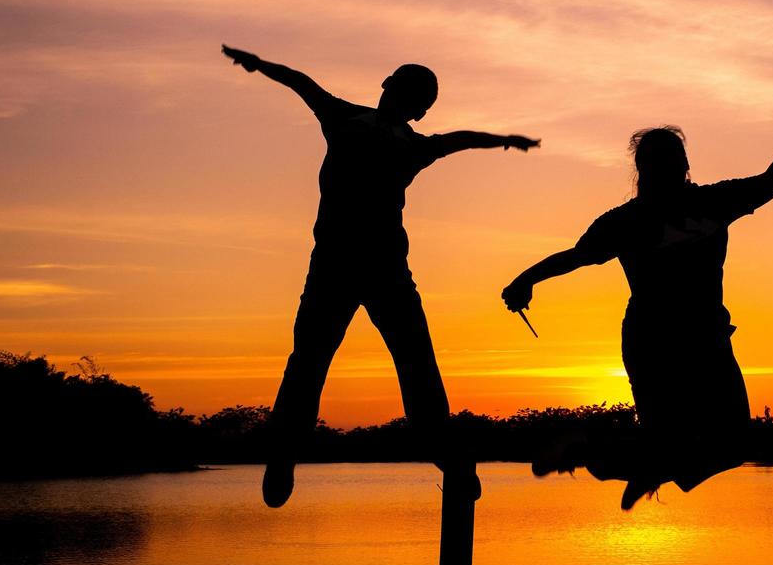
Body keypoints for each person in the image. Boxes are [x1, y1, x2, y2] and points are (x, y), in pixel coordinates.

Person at [222, 45, 539, 507]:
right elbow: (299, 80)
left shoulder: (415, 145)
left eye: (419, 98)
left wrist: (504, 139)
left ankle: (445, 453)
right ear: (388, 87)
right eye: (405, 89)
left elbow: (462, 138)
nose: (408, 101)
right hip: (333, 265)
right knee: (310, 360)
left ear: (420, 109)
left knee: (415, 363)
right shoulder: (343, 117)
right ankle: (284, 452)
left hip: (387, 269)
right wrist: (257, 64)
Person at [502, 85, 773, 509]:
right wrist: (526, 279)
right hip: (655, 343)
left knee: (731, 445)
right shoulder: (628, 221)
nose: (666, 169)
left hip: (706, 340)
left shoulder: (710, 201)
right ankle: (612, 455)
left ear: (683, 166)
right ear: (645, 169)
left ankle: (610, 456)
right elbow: (575, 258)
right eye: (656, 163)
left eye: (671, 161)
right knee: (678, 441)